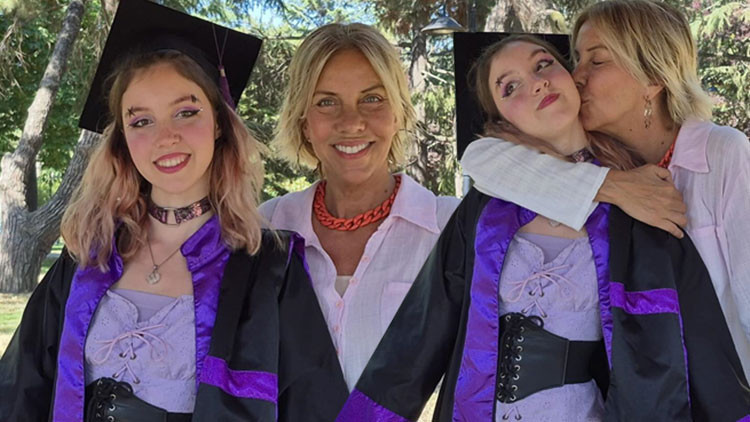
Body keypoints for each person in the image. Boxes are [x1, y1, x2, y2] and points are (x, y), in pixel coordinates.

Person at [336, 35, 749, 422]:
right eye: (509, 87)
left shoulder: (639, 206)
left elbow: (699, 343)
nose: (535, 84)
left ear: (570, 78)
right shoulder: (484, 211)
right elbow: (417, 336)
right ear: (503, 118)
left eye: (543, 65)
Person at [0, 1, 347, 421]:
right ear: (123, 138)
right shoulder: (87, 255)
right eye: (141, 121)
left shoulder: (270, 270)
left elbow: (315, 408)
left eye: (186, 112)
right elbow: (19, 395)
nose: (166, 137)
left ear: (219, 123)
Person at [461, 0, 750, 381]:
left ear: (653, 77)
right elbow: (480, 158)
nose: (576, 76)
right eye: (576, 59)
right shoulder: (591, 160)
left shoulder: (722, 153)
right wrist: (612, 187)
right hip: (637, 398)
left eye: (596, 61)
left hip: (725, 393)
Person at [259, 23, 460, 391]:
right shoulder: (266, 228)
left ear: (398, 112)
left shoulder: (451, 228)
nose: (351, 122)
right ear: (304, 122)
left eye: (372, 98)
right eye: (326, 102)